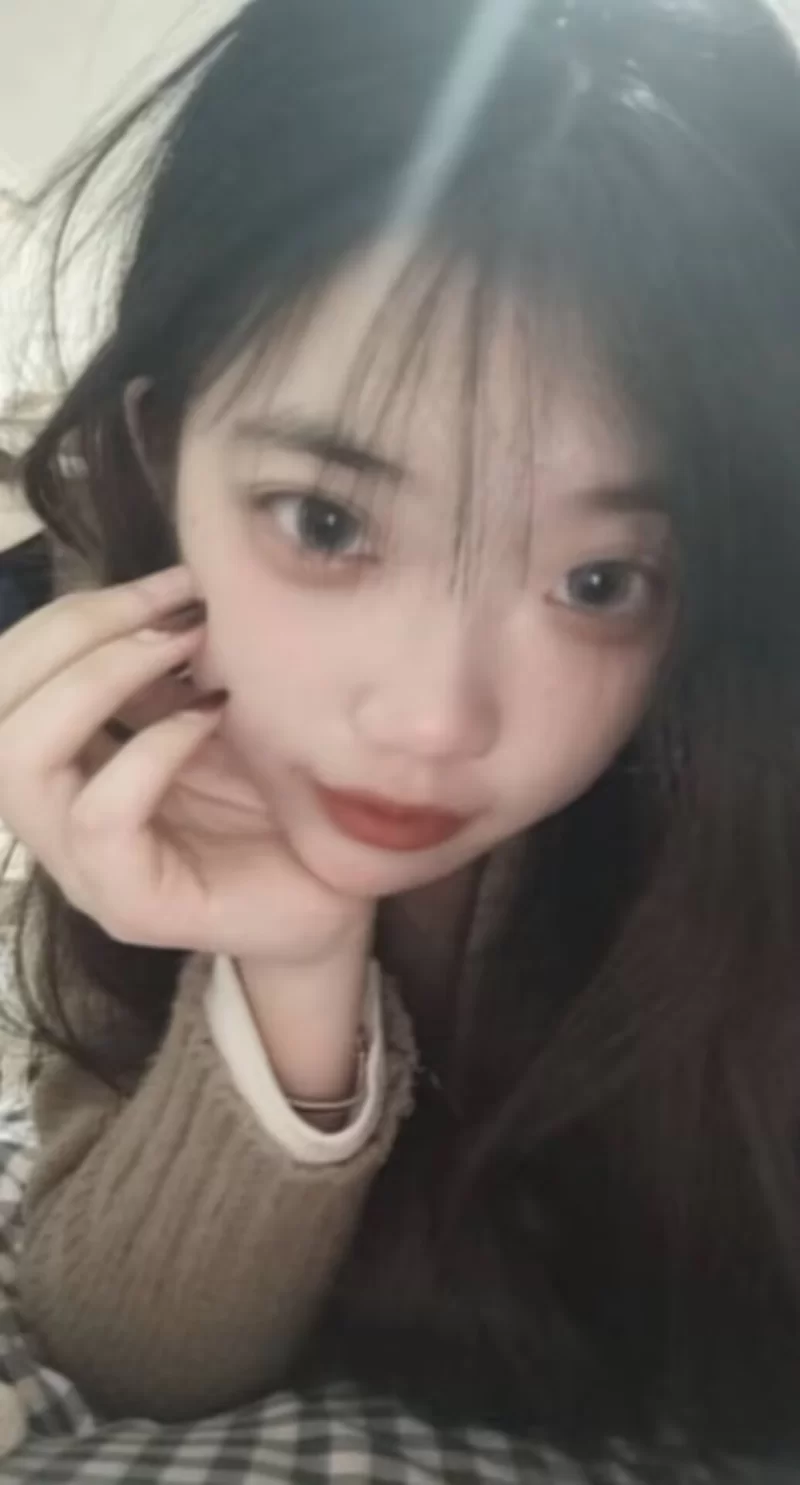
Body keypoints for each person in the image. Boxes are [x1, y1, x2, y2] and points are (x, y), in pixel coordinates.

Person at [1, 0, 800, 1456]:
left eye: (600, 583)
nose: (433, 721)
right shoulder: (155, 758)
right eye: (325, 522)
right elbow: (130, 1348)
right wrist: (290, 966)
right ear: (161, 454)